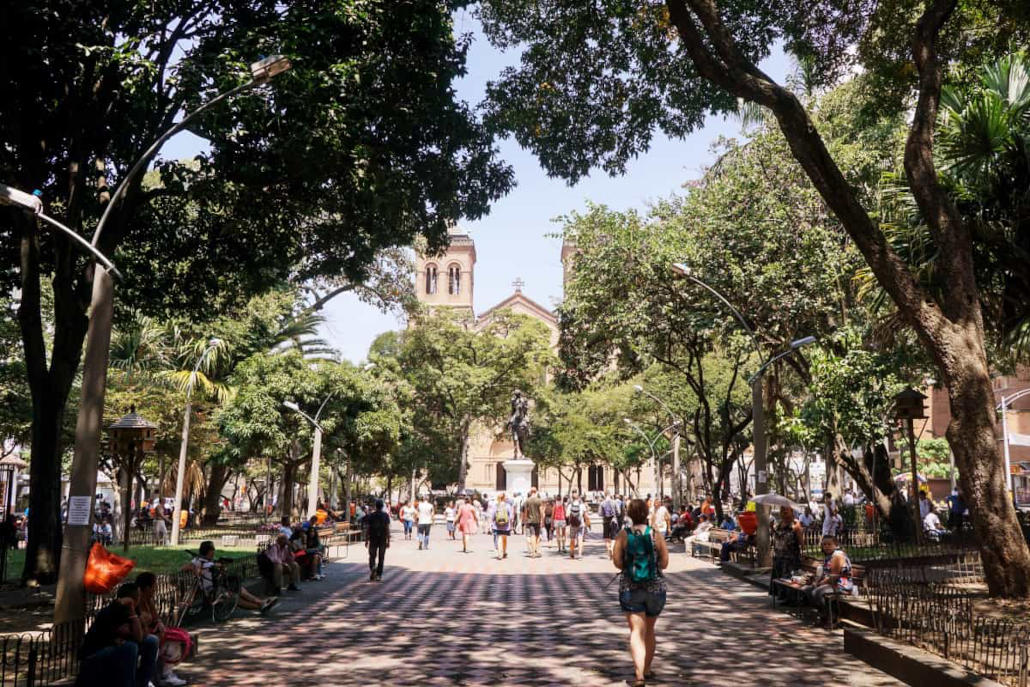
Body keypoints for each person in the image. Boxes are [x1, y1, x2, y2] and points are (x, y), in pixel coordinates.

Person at [612, 498, 669, 687]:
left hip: (631, 588)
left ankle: (639, 676)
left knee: (637, 631)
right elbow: (665, 563)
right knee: (650, 630)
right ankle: (647, 669)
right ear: (647, 513)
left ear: (629, 514)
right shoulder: (655, 534)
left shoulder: (623, 535)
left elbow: (618, 563)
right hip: (655, 588)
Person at [76, 581, 159, 687]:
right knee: (130, 647)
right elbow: (133, 637)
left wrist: (136, 617)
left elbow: (141, 637)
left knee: (152, 641)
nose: (140, 598)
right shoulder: (113, 610)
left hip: (116, 650)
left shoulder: (132, 610)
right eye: (138, 596)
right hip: (95, 655)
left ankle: (143, 682)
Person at [135, 572, 188, 687]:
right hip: (140, 637)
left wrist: (159, 624)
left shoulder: (148, 600)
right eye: (154, 586)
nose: (155, 589)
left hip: (152, 635)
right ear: (147, 588)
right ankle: (147, 679)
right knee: (156, 643)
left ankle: (167, 674)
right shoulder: (136, 601)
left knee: (178, 639)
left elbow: (155, 618)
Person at [804, 535, 855, 618]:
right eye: (824, 544)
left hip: (840, 585)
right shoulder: (829, 555)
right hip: (830, 583)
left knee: (817, 592)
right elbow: (825, 573)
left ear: (835, 544)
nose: (826, 546)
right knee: (807, 590)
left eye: (829, 544)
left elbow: (833, 577)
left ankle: (832, 617)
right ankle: (821, 613)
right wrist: (815, 582)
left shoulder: (837, 555)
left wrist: (819, 584)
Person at [770, 506, 803, 593]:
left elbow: (801, 543)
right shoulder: (779, 524)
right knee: (780, 577)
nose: (784, 512)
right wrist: (772, 528)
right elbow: (779, 536)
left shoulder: (795, 523)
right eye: (782, 510)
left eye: (786, 510)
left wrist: (798, 529)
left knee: (788, 579)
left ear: (791, 511)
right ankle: (782, 596)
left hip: (790, 559)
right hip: (779, 557)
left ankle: (790, 600)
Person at [363, 499, 391, 581]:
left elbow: (368, 528)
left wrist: (366, 539)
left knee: (372, 556)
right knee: (381, 557)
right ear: (382, 506)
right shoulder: (385, 515)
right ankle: (379, 575)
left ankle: (373, 568)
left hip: (373, 538)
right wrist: (388, 540)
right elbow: (387, 528)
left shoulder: (371, 515)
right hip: (382, 538)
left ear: (375, 506)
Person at [566, 490, 590, 560]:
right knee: (580, 539)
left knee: (572, 539)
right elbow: (585, 515)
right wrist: (586, 522)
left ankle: (572, 553)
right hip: (581, 524)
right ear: (578, 497)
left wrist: (571, 515)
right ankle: (580, 555)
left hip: (573, 525)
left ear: (572, 498)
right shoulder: (582, 505)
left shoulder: (570, 505)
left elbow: (567, 515)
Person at [522, 487, 544, 558]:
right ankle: (535, 551)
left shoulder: (527, 501)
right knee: (536, 535)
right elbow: (541, 512)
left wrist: (525, 519)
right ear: (536, 492)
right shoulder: (539, 501)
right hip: (537, 520)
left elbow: (526, 511)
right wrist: (542, 520)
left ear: (531, 492)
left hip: (530, 520)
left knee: (533, 535)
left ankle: (533, 551)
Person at [492, 492, 514, 560]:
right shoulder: (508, 506)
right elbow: (511, 517)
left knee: (499, 538)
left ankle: (499, 554)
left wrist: (493, 522)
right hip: (506, 525)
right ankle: (504, 552)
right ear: (504, 498)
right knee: (504, 539)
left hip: (497, 525)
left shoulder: (496, 505)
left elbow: (493, 516)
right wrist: (511, 524)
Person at [600, 490, 620, 559]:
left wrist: (604, 515)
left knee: (606, 537)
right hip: (614, 521)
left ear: (605, 495)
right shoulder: (614, 502)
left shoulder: (602, 503)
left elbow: (600, 514)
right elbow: (618, 512)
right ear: (610, 494)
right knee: (613, 537)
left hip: (605, 522)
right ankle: (612, 547)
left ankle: (609, 550)